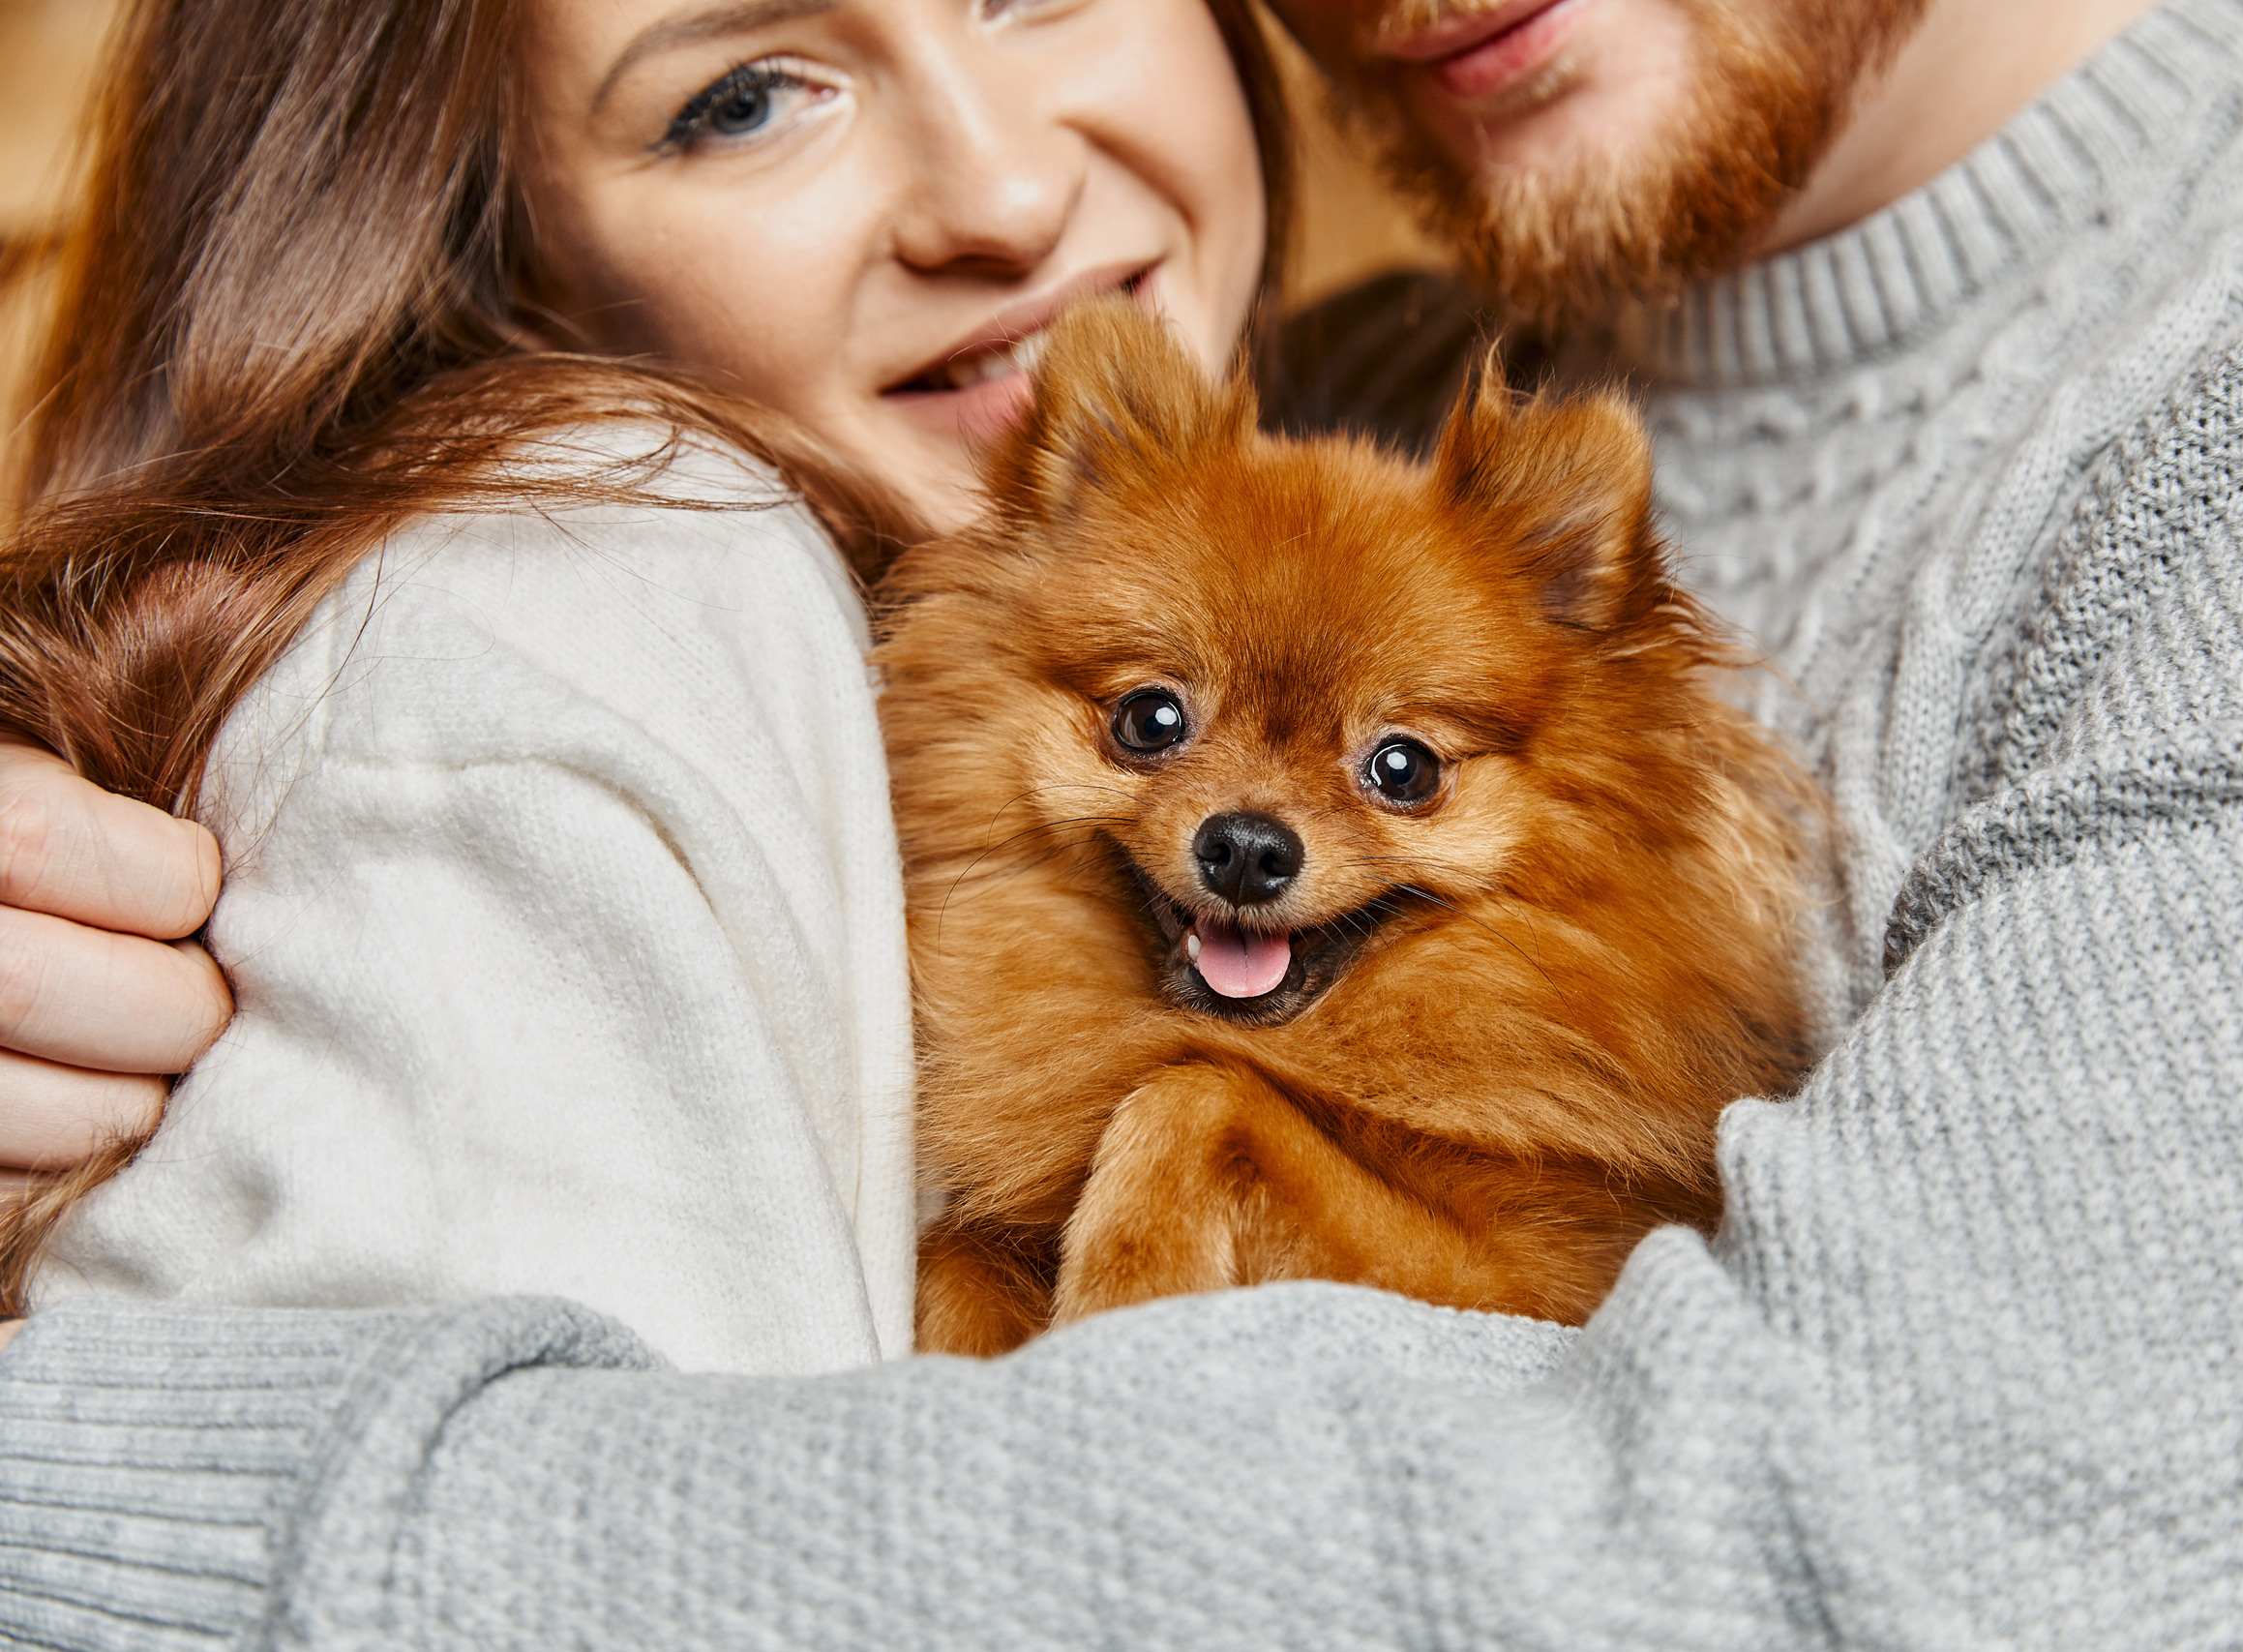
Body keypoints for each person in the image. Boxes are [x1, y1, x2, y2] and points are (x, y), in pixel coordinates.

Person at [4, 0, 2243, 1642]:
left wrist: (137, 1505)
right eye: (749, 88)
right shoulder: (1297, 387)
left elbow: (1910, 1571)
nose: (991, 190)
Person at [0, 0, 1285, 1368]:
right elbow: (516, 1545)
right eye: (744, 100)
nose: (1007, 196)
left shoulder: (1387, 432)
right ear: (490, 267)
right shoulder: (572, 585)